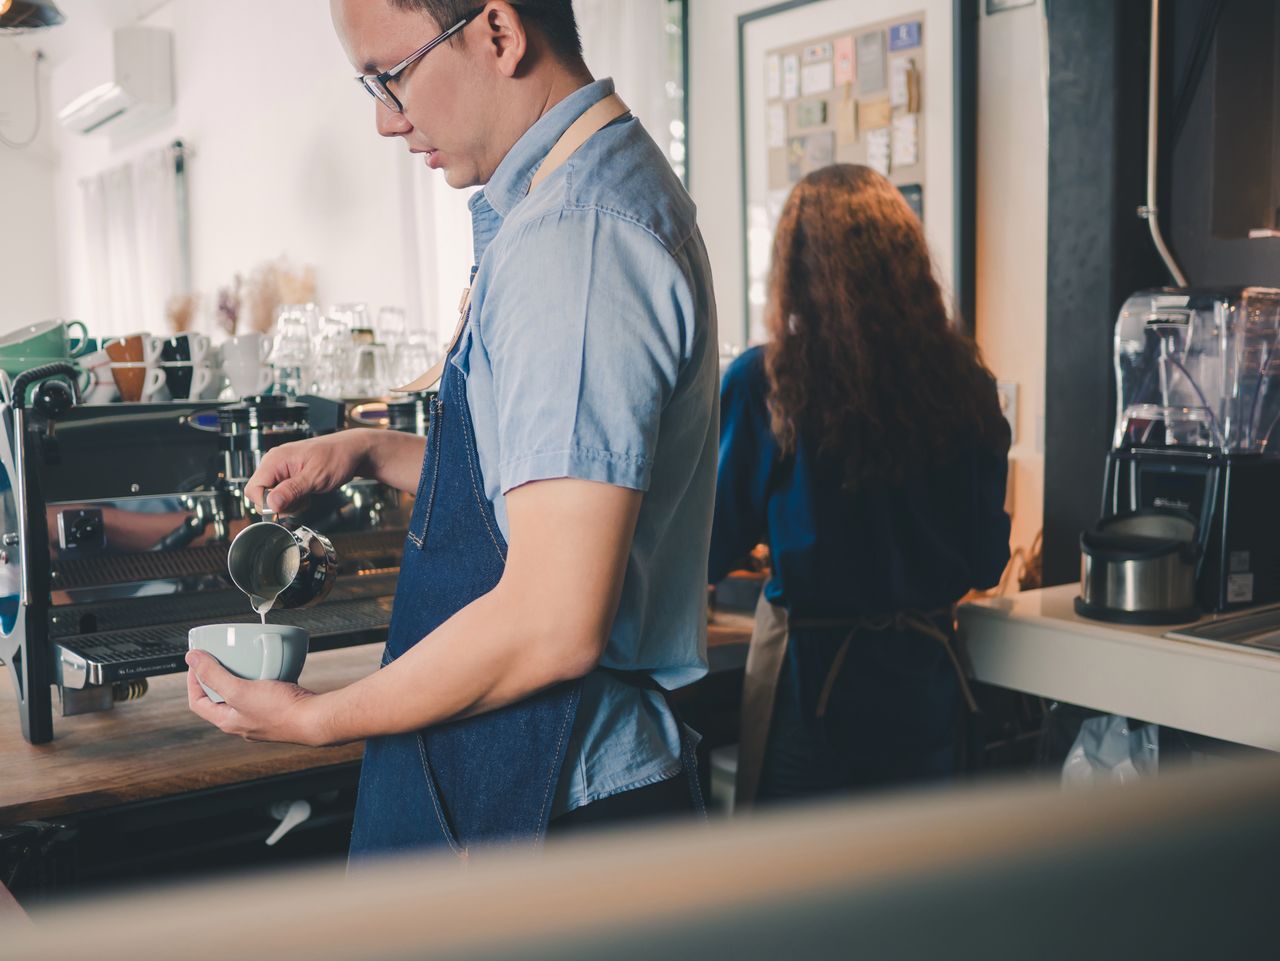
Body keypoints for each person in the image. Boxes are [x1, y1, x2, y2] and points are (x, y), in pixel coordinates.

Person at [185, 0, 718, 855]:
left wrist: (319, 717)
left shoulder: (574, 239)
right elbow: (546, 487)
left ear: (499, 34)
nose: (385, 120)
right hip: (535, 780)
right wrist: (370, 450)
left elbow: (551, 619)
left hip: (555, 798)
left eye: (390, 77)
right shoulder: (576, 196)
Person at [709, 164, 1010, 808]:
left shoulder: (768, 381)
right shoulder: (965, 383)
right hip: (925, 686)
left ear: (794, 266)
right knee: (920, 891)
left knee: (808, 896)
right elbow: (986, 559)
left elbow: (710, 544)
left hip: (815, 690)